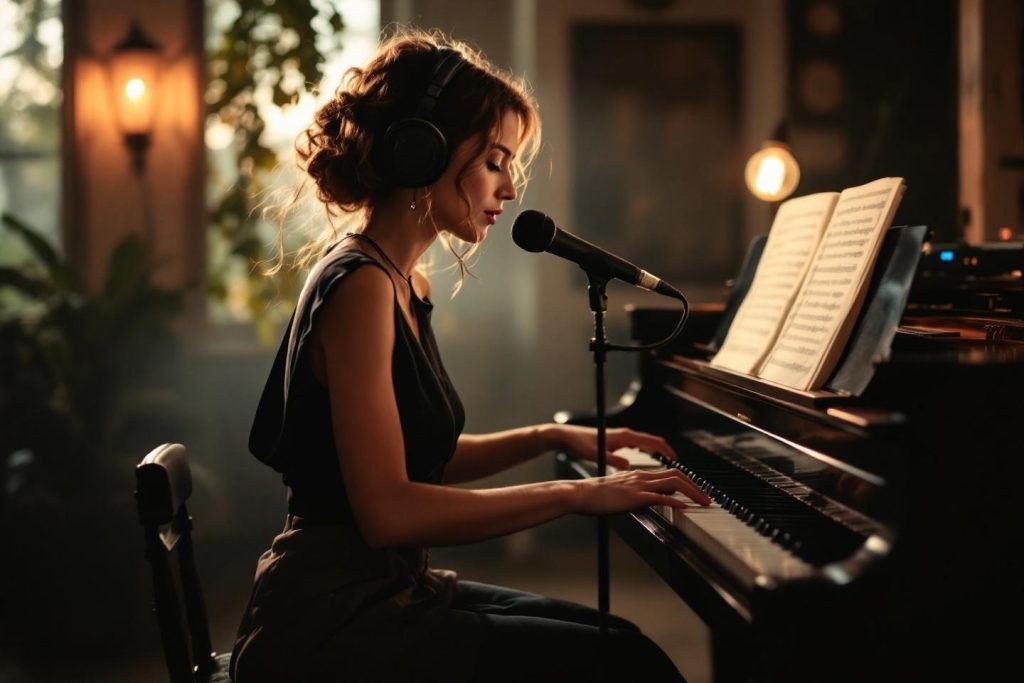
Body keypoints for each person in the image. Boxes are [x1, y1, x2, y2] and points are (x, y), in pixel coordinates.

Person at [230, 27, 710, 683]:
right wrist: (578, 494)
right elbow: (389, 510)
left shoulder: (403, 281)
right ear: (421, 151)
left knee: (622, 641)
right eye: (494, 161)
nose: (509, 189)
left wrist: (552, 437)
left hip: (390, 589)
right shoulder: (361, 286)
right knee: (626, 664)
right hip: (331, 619)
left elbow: (421, 458)